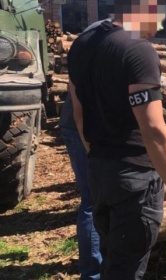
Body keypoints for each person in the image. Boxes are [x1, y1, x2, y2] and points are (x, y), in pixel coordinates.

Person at [67, 0, 166, 279]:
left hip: (99, 169)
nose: (159, 24)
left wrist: (96, 155)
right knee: (127, 270)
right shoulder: (137, 52)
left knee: (112, 259)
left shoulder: (82, 45)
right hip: (134, 181)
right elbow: (152, 129)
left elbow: (78, 113)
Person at [60, 96, 102, 280]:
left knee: (96, 198)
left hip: (86, 123)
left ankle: (101, 266)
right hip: (83, 126)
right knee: (93, 200)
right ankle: (94, 273)